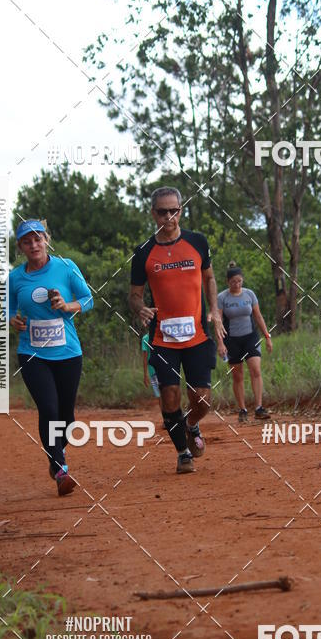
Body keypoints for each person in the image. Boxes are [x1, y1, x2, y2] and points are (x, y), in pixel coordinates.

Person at [129, 186, 226, 474]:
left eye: (175, 210)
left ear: (181, 210)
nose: (169, 216)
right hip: (162, 338)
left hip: (196, 335)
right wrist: (140, 308)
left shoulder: (197, 242)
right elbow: (134, 295)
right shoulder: (143, 252)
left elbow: (209, 278)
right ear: (153, 213)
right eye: (163, 211)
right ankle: (183, 452)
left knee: (202, 399)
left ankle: (191, 423)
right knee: (170, 396)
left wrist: (214, 310)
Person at [9, 219, 93, 496]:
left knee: (66, 418)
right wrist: (13, 320)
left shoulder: (66, 267)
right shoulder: (15, 278)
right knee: (48, 408)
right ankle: (60, 468)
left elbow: (88, 298)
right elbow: (8, 308)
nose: (33, 244)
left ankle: (56, 450)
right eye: (27, 241)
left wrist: (66, 305)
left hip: (68, 352)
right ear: (20, 246)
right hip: (32, 353)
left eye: (38, 239)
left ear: (46, 239)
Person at [218, 262, 273, 422]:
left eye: (239, 281)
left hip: (251, 337)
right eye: (233, 282)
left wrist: (267, 337)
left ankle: (258, 408)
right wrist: (221, 343)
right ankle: (242, 410)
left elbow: (258, 316)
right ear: (228, 282)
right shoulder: (222, 297)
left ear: (242, 280)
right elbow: (218, 321)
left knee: (256, 370)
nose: (237, 284)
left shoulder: (249, 294)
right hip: (232, 340)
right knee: (238, 376)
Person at [141, 331, 161, 407]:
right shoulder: (160, 336)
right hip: (159, 369)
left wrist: (145, 375)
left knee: (159, 395)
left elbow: (145, 358)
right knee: (163, 394)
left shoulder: (145, 338)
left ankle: (166, 416)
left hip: (153, 370)